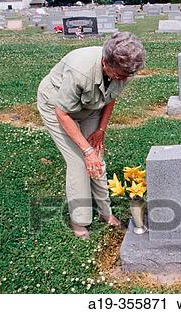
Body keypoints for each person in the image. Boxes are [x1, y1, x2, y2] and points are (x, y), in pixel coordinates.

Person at [36, 32, 145, 239]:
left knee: (97, 158)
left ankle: (106, 213)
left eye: (126, 75)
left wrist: (100, 131)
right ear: (105, 62)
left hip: (91, 106)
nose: (123, 79)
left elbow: (111, 96)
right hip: (56, 106)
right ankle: (80, 222)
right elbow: (63, 112)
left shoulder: (125, 69)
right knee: (79, 161)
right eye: (120, 74)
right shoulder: (81, 72)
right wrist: (85, 150)